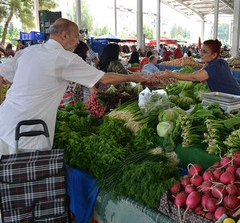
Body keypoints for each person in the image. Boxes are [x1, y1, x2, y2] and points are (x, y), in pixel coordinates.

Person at [0, 18, 144, 154]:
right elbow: (104, 78)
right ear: (64, 35)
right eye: (76, 37)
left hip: (4, 122)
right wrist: (132, 77)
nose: (78, 42)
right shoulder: (64, 58)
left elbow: (2, 73)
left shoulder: (28, 51)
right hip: (27, 135)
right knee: (26, 178)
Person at [159, 39, 240, 106]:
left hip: (236, 103)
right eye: (201, 50)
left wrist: (172, 74)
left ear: (214, 55)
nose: (201, 53)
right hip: (235, 101)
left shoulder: (215, 66)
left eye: (205, 52)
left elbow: (193, 77)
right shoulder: (221, 62)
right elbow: (208, 74)